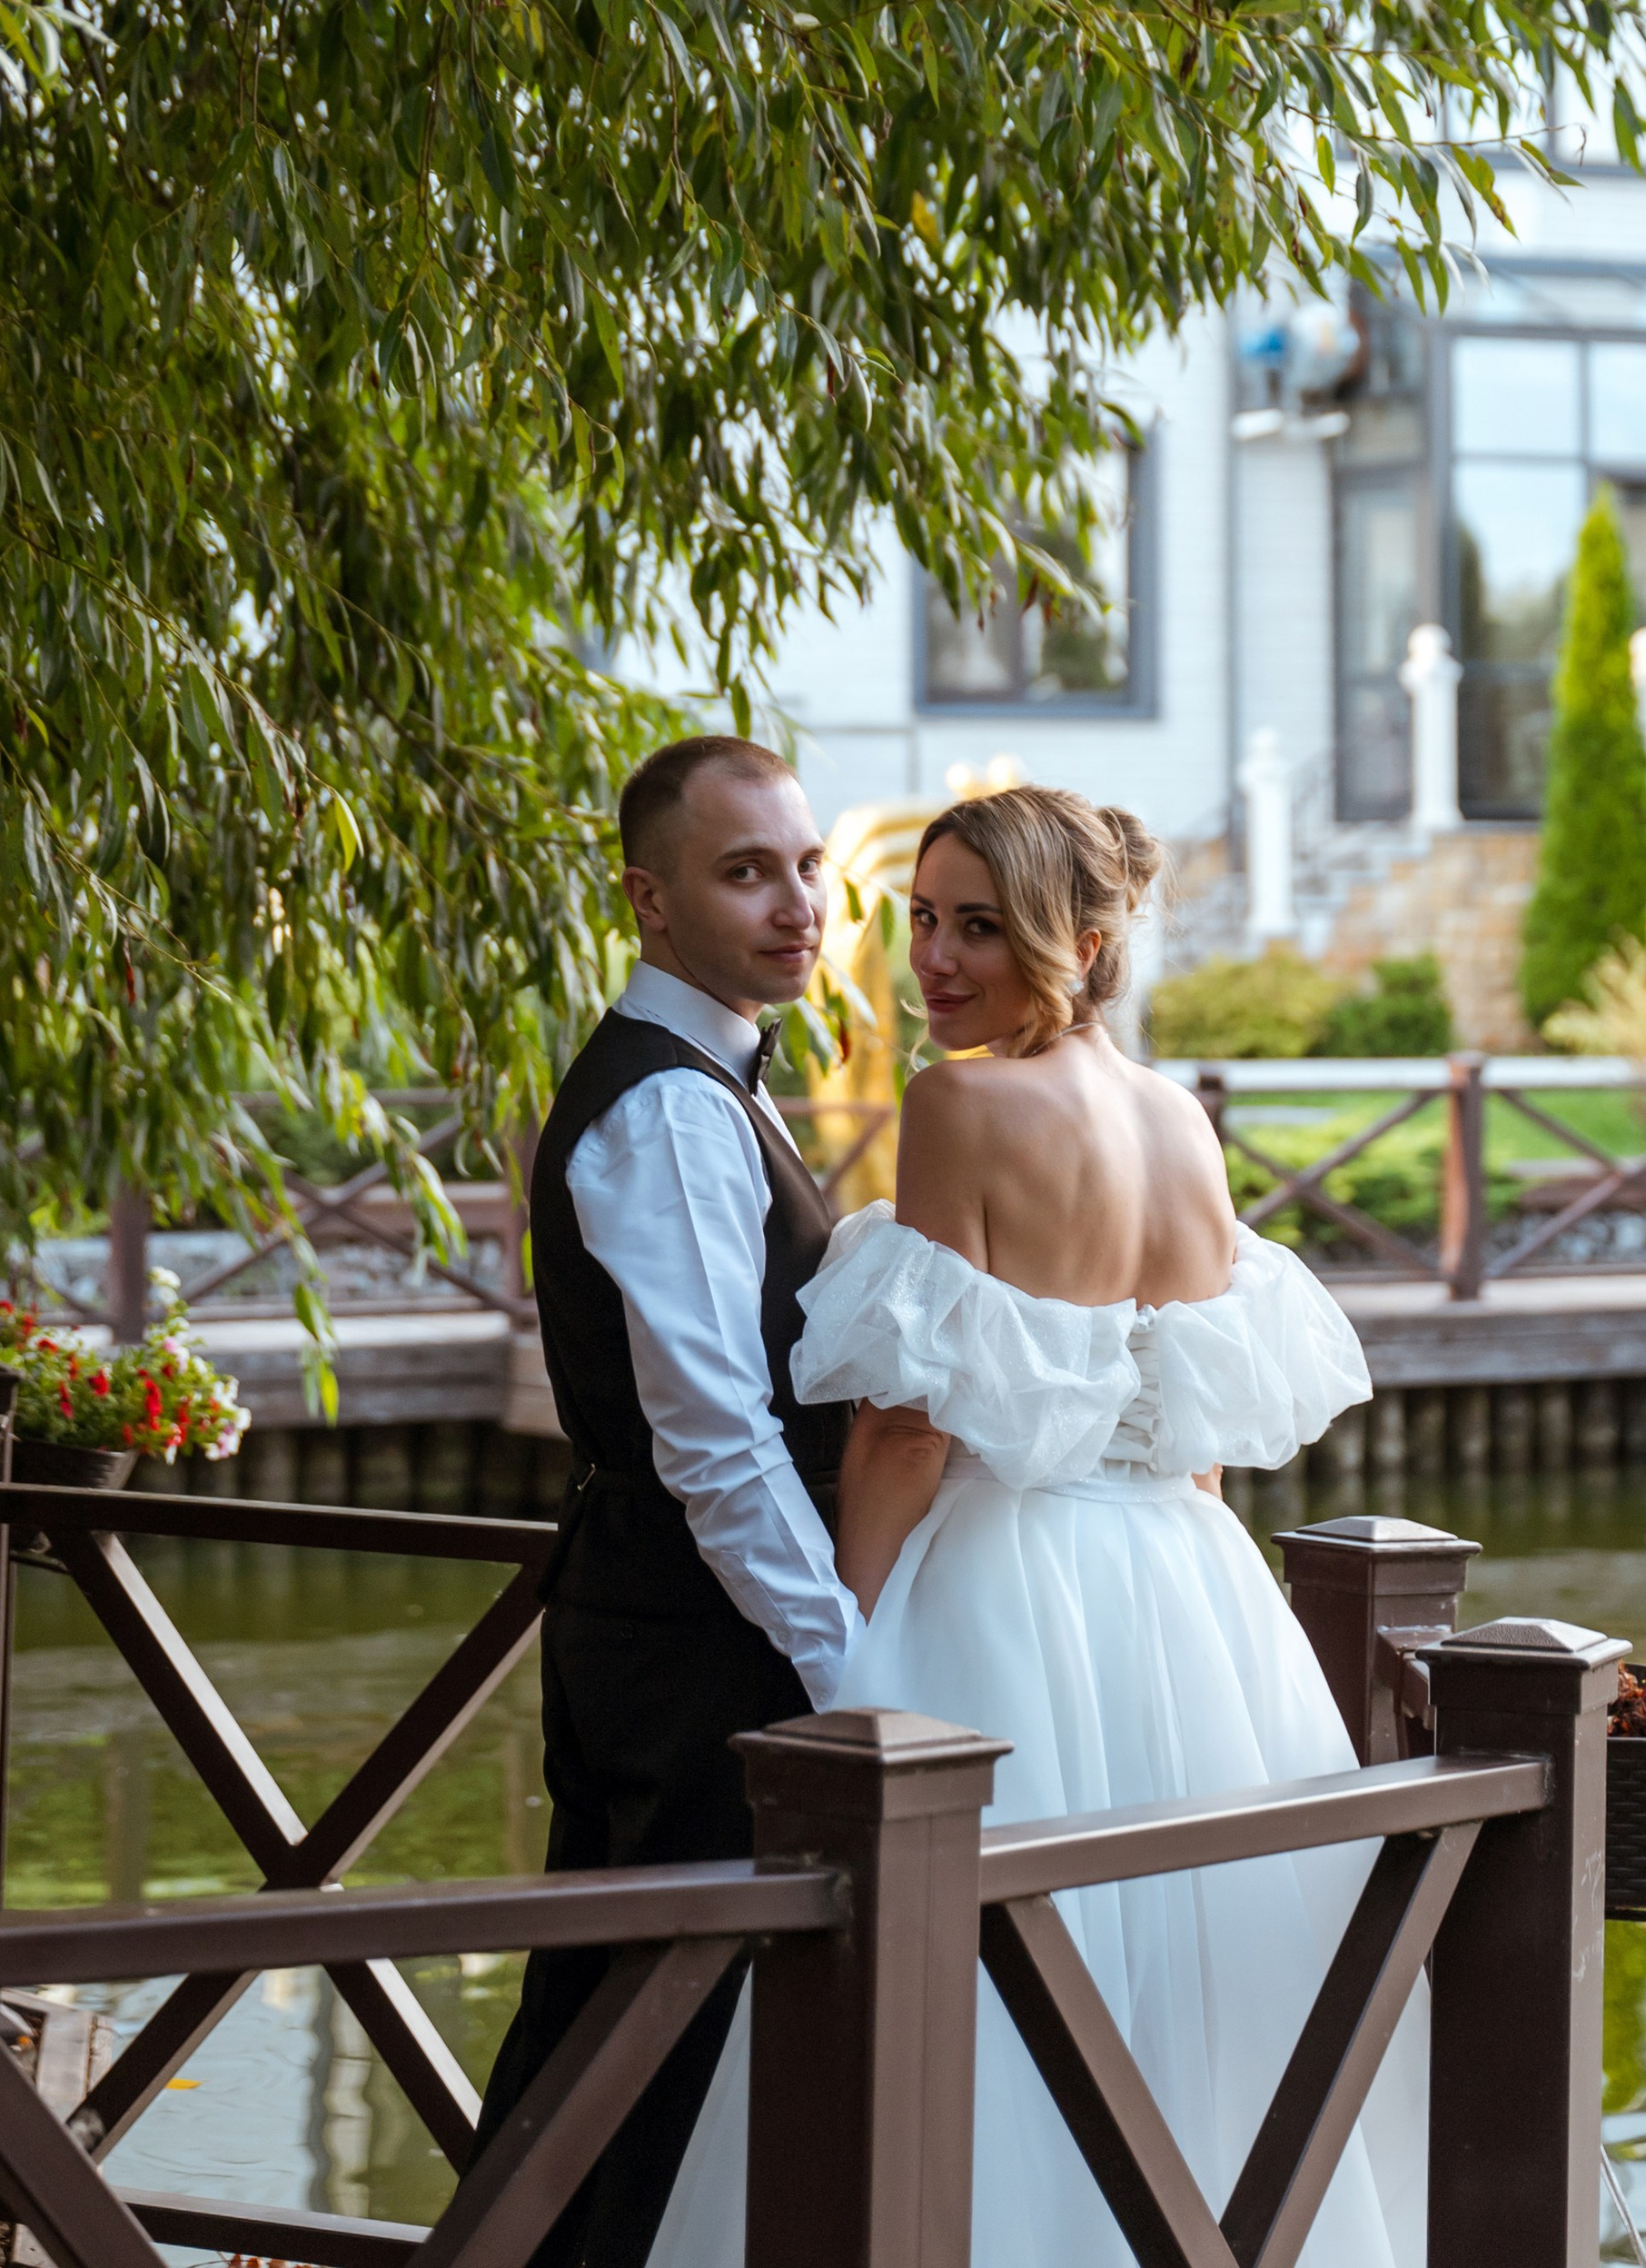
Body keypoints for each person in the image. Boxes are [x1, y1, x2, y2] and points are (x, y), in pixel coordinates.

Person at [649, 782, 1423, 2268]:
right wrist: (1201, 1625)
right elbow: (1194, 1437)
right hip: (1193, 1596)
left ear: (1073, 936)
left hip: (1005, 1583)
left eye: (980, 929)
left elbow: (905, 1425)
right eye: (923, 922)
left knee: (960, 1984)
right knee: (1199, 1997)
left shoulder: (960, 1105)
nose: (933, 962)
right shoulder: (1183, 1128)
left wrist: (844, 1648)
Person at [471, 735, 860, 2266]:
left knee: (639, 2039)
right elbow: (716, 1440)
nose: (799, 903)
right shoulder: (669, 1110)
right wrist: (851, 1665)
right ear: (650, 899)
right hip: (694, 1648)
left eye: (808, 863)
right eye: (746, 870)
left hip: (688, 1626)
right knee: (634, 2049)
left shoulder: (715, 1082)